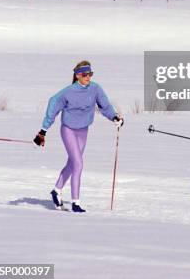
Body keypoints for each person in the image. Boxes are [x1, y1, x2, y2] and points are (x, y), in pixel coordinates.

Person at [33, 60, 124, 213]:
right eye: (85, 74)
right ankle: (76, 202)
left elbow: (105, 106)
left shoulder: (95, 89)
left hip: (83, 130)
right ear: (77, 75)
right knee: (79, 164)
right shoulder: (68, 92)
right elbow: (53, 103)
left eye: (90, 74)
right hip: (68, 130)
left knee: (73, 163)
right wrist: (43, 131)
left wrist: (114, 117)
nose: (88, 77)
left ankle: (56, 190)